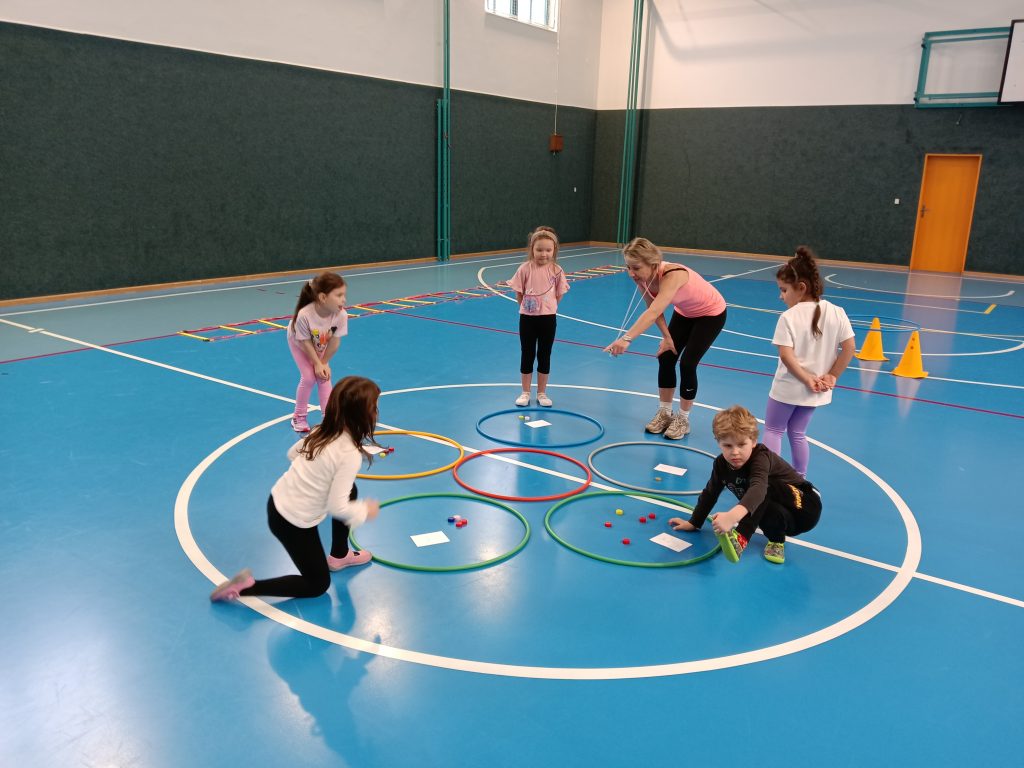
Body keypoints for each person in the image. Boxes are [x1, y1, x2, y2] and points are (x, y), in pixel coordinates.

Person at [210, 376, 381, 601]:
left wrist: (316, 477)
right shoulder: (349, 454)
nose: (377, 412)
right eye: (374, 408)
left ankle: (340, 556)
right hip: (292, 522)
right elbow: (337, 507)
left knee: (350, 490)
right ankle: (245, 588)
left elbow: (292, 454)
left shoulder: (322, 430)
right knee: (317, 584)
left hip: (277, 501)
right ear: (361, 415)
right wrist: (365, 511)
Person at [604, 237, 727, 439]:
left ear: (652, 264)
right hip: (685, 313)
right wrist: (667, 337)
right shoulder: (642, 279)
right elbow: (653, 308)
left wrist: (626, 339)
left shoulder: (673, 275)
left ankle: (683, 419)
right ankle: (664, 413)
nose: (631, 273)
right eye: (628, 267)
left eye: (636, 268)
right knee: (666, 356)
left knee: (688, 364)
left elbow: (653, 312)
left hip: (710, 314)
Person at [666, 405, 821, 565]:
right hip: (785, 519)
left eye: (741, 445)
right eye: (728, 446)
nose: (735, 452)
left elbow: (759, 488)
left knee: (764, 486)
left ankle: (741, 537)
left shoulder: (761, 458)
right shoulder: (721, 464)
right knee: (757, 504)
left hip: (806, 506)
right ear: (718, 443)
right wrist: (694, 522)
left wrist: (732, 517)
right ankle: (776, 540)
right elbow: (710, 493)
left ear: (753, 441)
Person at [764, 246, 855, 476]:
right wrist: (832, 375)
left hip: (788, 388)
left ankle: (770, 480)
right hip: (816, 389)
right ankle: (800, 480)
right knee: (798, 433)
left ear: (801, 288)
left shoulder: (788, 317)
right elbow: (849, 348)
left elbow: (786, 355)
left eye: (784, 290)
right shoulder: (837, 312)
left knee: (773, 430)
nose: (781, 296)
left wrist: (806, 379)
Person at [508, 226, 570, 408]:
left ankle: (542, 393)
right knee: (527, 353)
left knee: (544, 354)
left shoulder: (557, 270)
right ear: (532, 249)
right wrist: (526, 307)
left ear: (554, 250)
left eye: (548, 250)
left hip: (548, 319)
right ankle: (525, 392)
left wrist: (549, 306)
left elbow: (560, 292)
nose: (544, 254)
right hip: (527, 319)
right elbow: (519, 292)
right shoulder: (525, 269)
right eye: (539, 250)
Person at [288, 271, 349, 433]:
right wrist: (316, 363)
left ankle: (329, 418)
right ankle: (298, 417)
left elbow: (335, 341)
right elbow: (305, 342)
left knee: (324, 376)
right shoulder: (304, 315)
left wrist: (323, 363)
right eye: (339, 295)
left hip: (320, 343)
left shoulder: (341, 315)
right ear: (323, 297)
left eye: (344, 295)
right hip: (300, 343)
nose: (344, 299)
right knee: (308, 377)